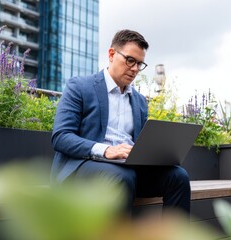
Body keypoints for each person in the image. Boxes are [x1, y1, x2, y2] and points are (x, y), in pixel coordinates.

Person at [50, 29, 191, 215]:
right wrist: (106, 150)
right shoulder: (80, 87)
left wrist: (154, 155)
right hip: (83, 168)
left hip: (127, 170)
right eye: (130, 60)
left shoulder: (139, 101)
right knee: (122, 177)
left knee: (178, 176)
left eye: (140, 64)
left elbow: (140, 144)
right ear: (111, 54)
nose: (134, 69)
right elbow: (61, 137)